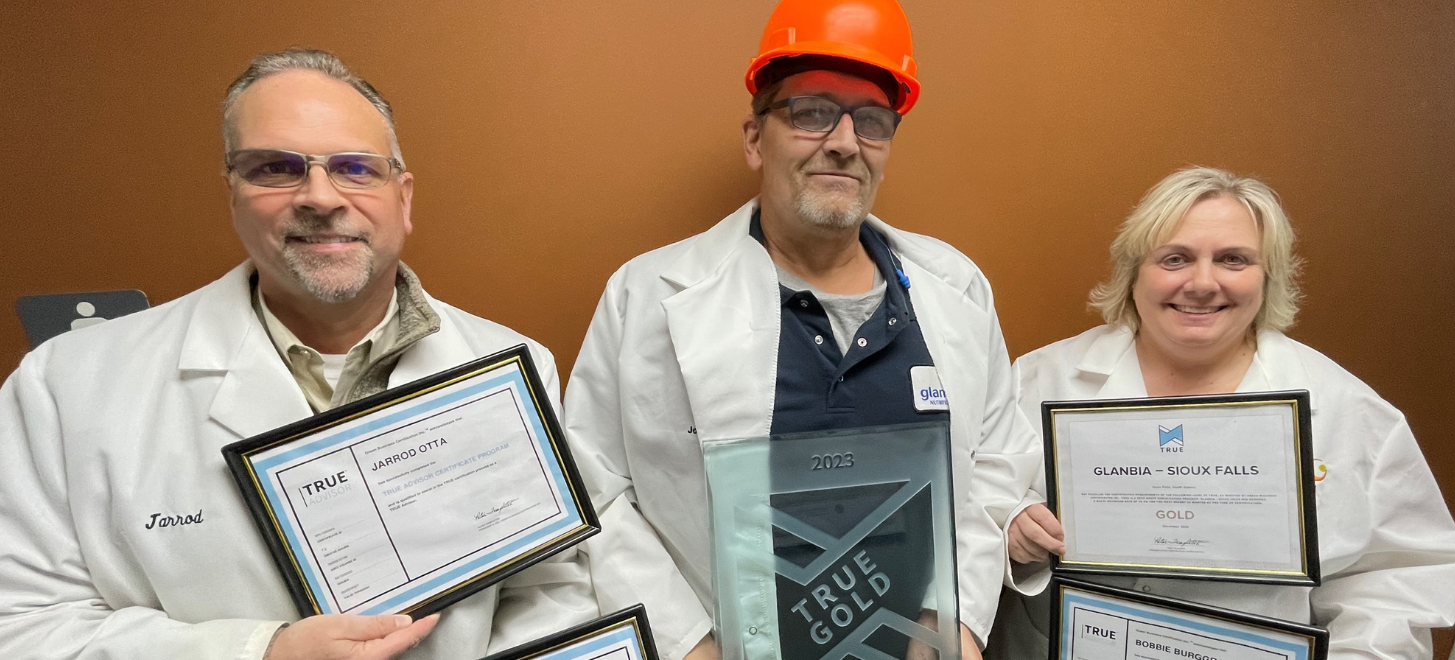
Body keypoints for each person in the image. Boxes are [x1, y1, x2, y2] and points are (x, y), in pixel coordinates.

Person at [0, 48, 595, 660]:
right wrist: (260, 653)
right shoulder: (67, 385)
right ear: (231, 193)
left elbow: (551, 588)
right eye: (275, 168)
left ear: (404, 198)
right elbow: (17, 624)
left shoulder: (511, 363)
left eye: (355, 168)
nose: (319, 197)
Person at [563, 2, 1043, 659]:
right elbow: (597, 489)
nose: (845, 142)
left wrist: (950, 623)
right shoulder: (646, 296)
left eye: (870, 121)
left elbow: (994, 466)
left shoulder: (955, 289)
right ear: (756, 138)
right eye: (812, 111)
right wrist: (687, 646)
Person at [994, 166, 1455, 659]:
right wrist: (1012, 522)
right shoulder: (1038, 378)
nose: (1202, 283)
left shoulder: (1340, 406)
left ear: (1267, 277)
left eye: (1233, 259)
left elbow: (1400, 572)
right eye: (1175, 258)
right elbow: (973, 498)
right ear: (1133, 272)